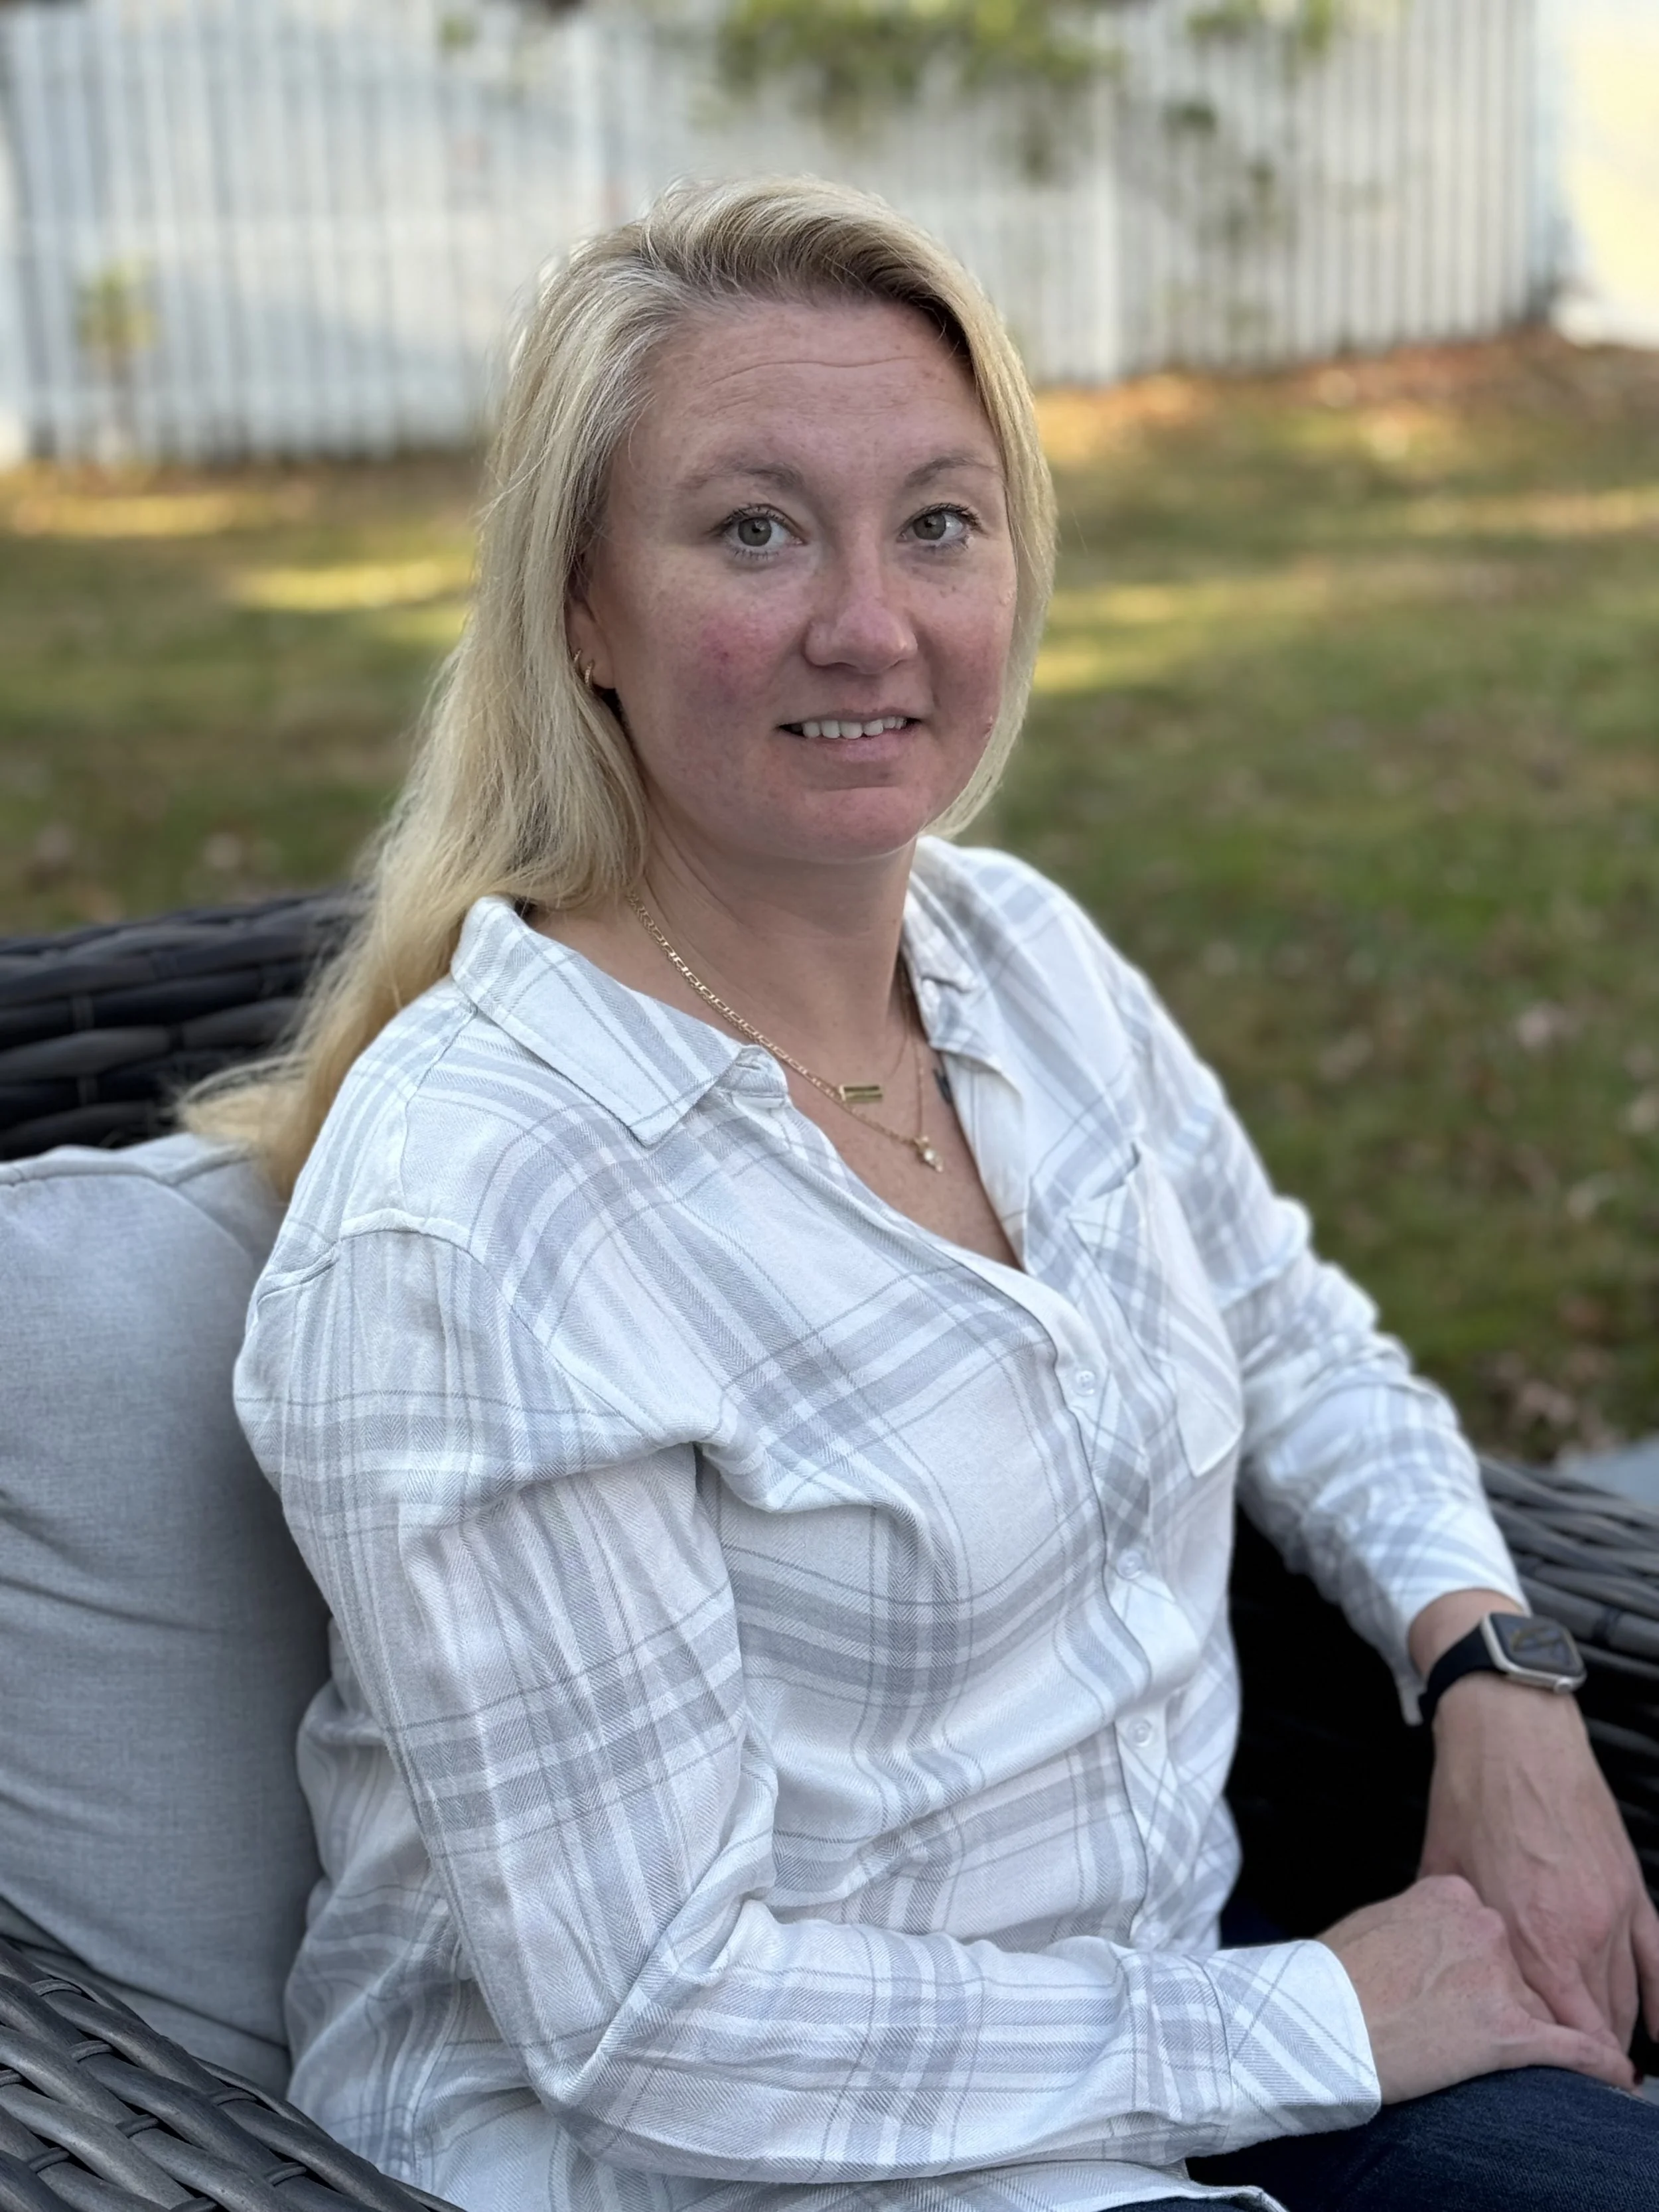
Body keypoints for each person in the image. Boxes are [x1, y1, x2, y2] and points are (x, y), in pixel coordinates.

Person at [217, 178, 1659, 2212]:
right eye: (752, 527)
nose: (869, 623)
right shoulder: (479, 1223)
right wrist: (1323, 2021)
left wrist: (1490, 1674)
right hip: (728, 2168)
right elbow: (658, 2024)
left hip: (1155, 2051)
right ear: (577, 607)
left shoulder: (1019, 959)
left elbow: (1292, 1331)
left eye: (937, 522)